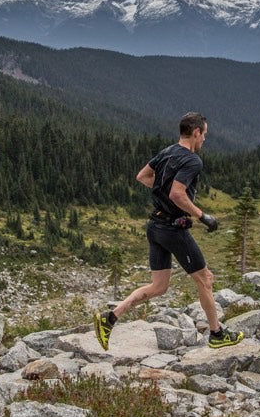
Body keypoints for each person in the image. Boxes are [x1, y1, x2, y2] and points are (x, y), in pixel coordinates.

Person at [93, 112, 244, 350]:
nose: (204, 139)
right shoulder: (193, 160)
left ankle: (110, 318)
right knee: (205, 279)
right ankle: (217, 334)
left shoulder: (167, 152)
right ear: (196, 132)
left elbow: (142, 176)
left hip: (154, 225)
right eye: (204, 134)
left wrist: (161, 190)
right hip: (172, 228)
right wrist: (202, 216)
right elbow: (176, 194)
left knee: (159, 286)